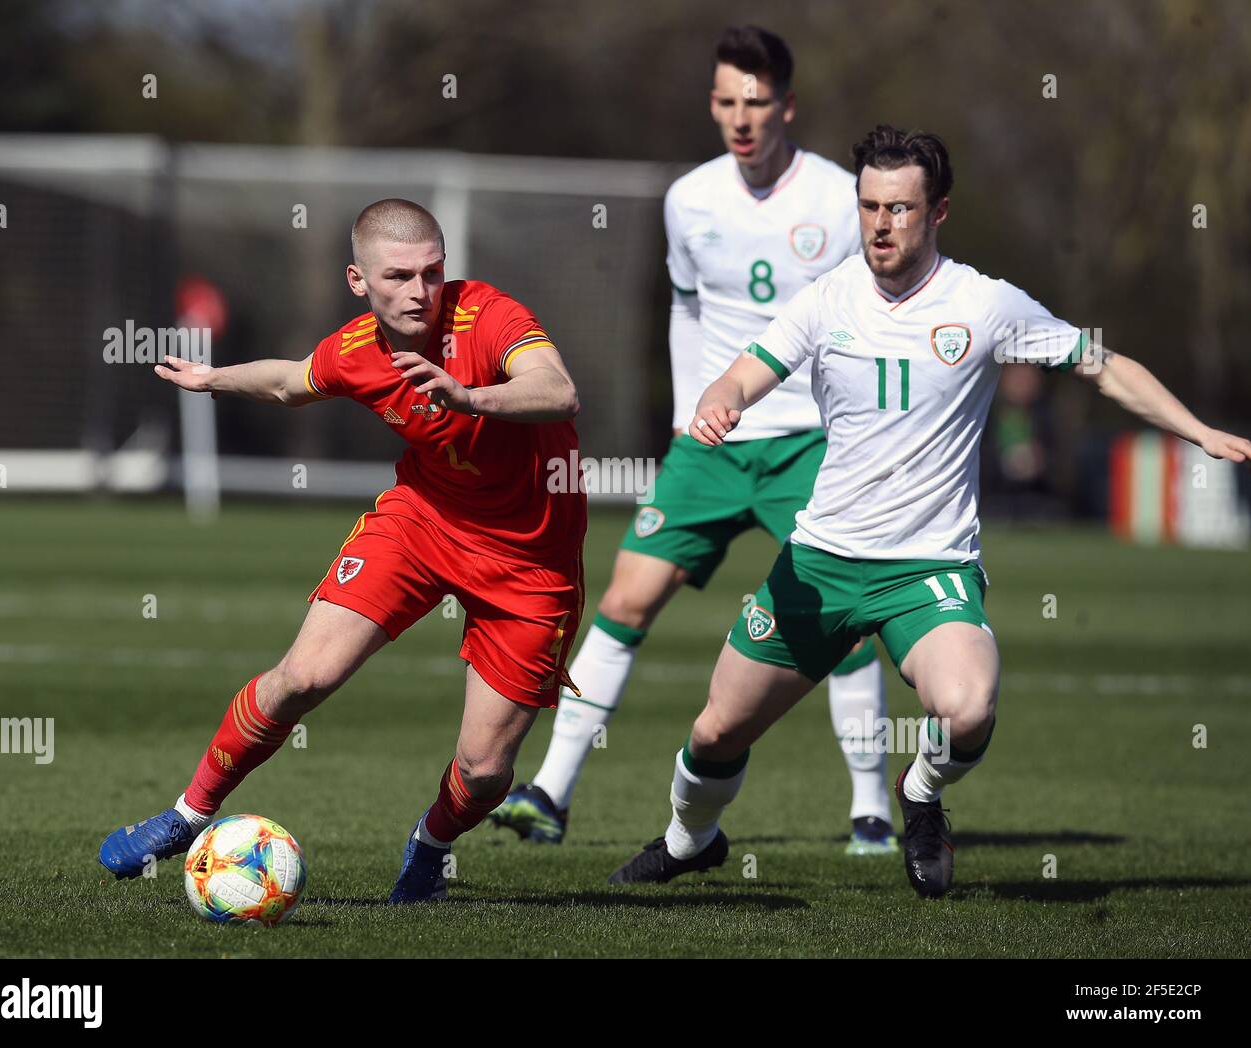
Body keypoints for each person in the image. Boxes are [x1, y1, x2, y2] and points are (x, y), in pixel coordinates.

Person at [608, 125, 1251, 897]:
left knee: (968, 706)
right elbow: (747, 372)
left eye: (901, 208)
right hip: (819, 563)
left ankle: (918, 796)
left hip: (928, 568)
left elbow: (1103, 367)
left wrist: (1199, 430)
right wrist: (719, 401)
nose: (881, 224)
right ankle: (690, 839)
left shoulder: (985, 305)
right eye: (869, 205)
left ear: (938, 211)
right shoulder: (826, 297)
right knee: (715, 730)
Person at [99, 198, 587, 904]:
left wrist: (471, 397)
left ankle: (431, 845)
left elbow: (557, 390)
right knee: (303, 676)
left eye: (432, 272)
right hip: (421, 525)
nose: (420, 291)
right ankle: (186, 816)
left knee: (483, 771)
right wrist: (212, 380)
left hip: (530, 562)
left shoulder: (487, 315)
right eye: (397, 276)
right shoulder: (357, 350)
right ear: (359, 281)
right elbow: (290, 381)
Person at [492, 26, 896, 856]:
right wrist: (687, 413)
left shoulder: (836, 197)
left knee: (845, 621)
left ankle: (871, 812)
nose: (740, 118)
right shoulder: (690, 198)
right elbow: (685, 307)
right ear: (711, 105)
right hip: (709, 446)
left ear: (787, 105)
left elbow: (874, 316)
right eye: (725, 102)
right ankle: (549, 795)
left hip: (810, 445)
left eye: (755, 102)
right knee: (624, 600)